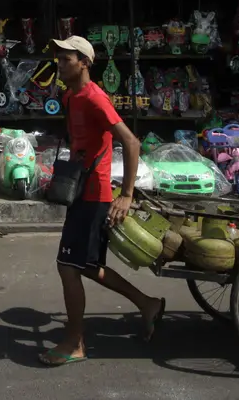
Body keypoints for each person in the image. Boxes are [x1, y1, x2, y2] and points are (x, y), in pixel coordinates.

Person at [39, 36, 165, 367]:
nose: (60, 64)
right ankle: (147, 303)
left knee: (68, 266)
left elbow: (132, 143)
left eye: (66, 59)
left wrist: (126, 195)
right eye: (59, 59)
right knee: (87, 265)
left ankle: (75, 342)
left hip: (96, 194)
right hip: (81, 189)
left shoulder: (95, 98)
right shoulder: (69, 96)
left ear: (84, 62)